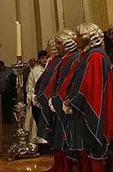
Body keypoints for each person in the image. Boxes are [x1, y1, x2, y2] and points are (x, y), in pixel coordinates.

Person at [62, 23, 113, 172]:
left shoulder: (95, 56)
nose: (75, 38)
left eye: (78, 35)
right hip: (82, 108)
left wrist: (72, 102)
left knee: (92, 148)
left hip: (93, 108)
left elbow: (90, 87)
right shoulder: (88, 55)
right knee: (84, 149)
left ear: (87, 38)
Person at [41, 29, 80, 172]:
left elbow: (69, 82)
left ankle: (65, 167)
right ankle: (59, 165)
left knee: (63, 138)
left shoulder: (74, 58)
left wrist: (59, 100)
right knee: (57, 137)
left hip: (65, 104)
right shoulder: (66, 58)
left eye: (59, 43)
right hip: (58, 102)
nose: (56, 46)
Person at [25, 49, 49, 144]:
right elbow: (30, 86)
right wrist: (32, 97)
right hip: (37, 98)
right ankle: (37, 140)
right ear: (39, 60)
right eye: (42, 58)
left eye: (46, 58)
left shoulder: (49, 69)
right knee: (36, 121)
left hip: (47, 98)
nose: (44, 60)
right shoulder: (34, 72)